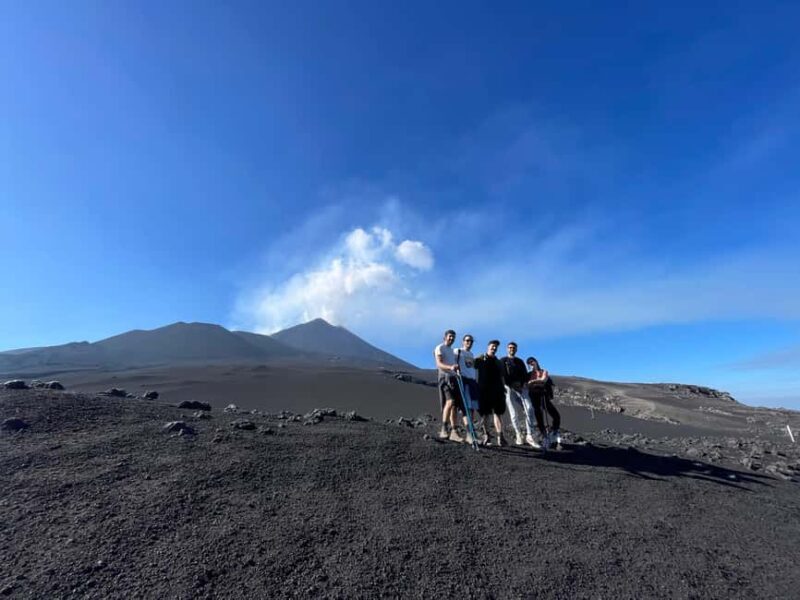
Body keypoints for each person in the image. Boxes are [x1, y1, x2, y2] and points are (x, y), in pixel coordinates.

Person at [501, 341, 538, 447]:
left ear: (516, 349)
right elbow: (503, 375)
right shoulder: (503, 361)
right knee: (513, 414)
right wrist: (510, 385)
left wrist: (524, 384)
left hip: (521, 388)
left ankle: (529, 435)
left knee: (529, 408)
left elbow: (525, 375)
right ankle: (518, 434)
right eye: (510, 347)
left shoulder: (520, 362)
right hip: (509, 388)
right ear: (507, 349)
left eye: (513, 348)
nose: (512, 349)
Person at [474, 339, 507, 446]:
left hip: (498, 390)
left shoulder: (499, 362)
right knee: (486, 414)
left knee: (498, 414)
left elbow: (502, 376)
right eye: (492, 346)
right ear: (488, 346)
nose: (494, 348)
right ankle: (486, 436)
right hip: (484, 390)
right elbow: (472, 368)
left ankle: (500, 437)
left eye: (496, 347)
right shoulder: (480, 359)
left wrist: (503, 387)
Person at [433, 329, 464, 442]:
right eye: (450, 336)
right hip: (444, 378)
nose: (452, 338)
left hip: (453, 377)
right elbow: (439, 363)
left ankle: (454, 431)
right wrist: (450, 367)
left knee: (454, 405)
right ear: (445, 337)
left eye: (453, 337)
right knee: (450, 401)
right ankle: (444, 428)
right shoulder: (439, 348)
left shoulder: (451, 351)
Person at [526, 357, 561, 449]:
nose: (531, 364)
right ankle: (545, 437)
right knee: (539, 417)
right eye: (529, 363)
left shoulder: (543, 371)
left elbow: (543, 380)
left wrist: (533, 382)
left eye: (532, 361)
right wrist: (537, 382)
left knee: (556, 416)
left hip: (544, 396)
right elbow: (527, 384)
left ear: (536, 362)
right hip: (534, 397)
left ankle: (553, 433)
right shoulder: (529, 374)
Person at [454, 334, 480, 445]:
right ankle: (470, 433)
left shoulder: (471, 354)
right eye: (467, 340)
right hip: (464, 380)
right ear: (463, 341)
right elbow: (452, 363)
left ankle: (472, 432)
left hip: (472, 381)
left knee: (472, 407)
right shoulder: (458, 351)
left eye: (471, 341)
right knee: (466, 407)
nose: (469, 342)